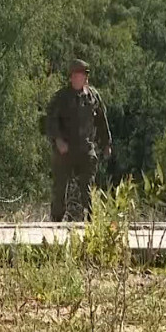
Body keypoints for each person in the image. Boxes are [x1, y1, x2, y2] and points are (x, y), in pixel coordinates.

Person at [45, 59, 112, 221]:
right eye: (76, 75)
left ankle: (90, 222)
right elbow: (50, 121)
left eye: (82, 75)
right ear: (71, 77)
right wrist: (58, 140)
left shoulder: (93, 97)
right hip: (65, 149)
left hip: (85, 148)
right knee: (60, 188)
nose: (79, 78)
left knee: (87, 188)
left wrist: (106, 143)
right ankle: (56, 222)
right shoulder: (61, 98)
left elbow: (102, 121)